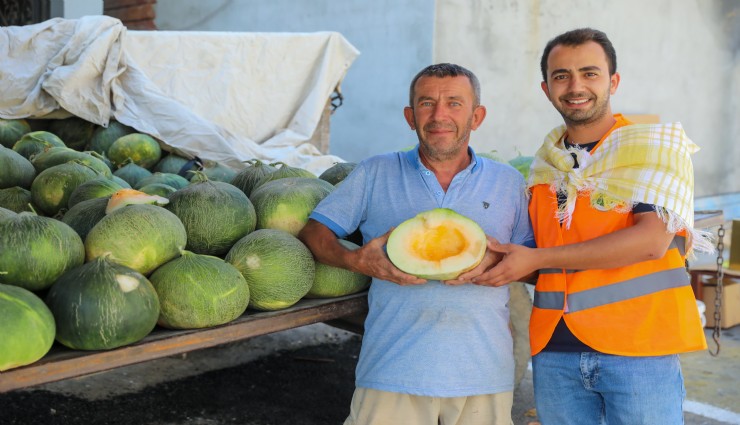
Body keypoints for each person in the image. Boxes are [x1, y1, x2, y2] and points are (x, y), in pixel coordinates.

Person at [474, 28, 712, 424]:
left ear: (613, 81)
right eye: (561, 76)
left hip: (639, 349)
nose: (575, 86)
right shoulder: (544, 165)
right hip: (555, 349)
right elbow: (538, 257)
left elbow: (651, 241)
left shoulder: (652, 148)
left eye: (590, 73)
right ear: (546, 88)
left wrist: (537, 256)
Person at [298, 63, 534, 425]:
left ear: (478, 115)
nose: (440, 115)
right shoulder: (375, 172)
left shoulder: (508, 182)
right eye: (427, 103)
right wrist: (357, 261)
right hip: (392, 369)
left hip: (484, 373)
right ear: (410, 116)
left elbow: (531, 264)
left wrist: (498, 267)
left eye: (455, 103)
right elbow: (314, 233)